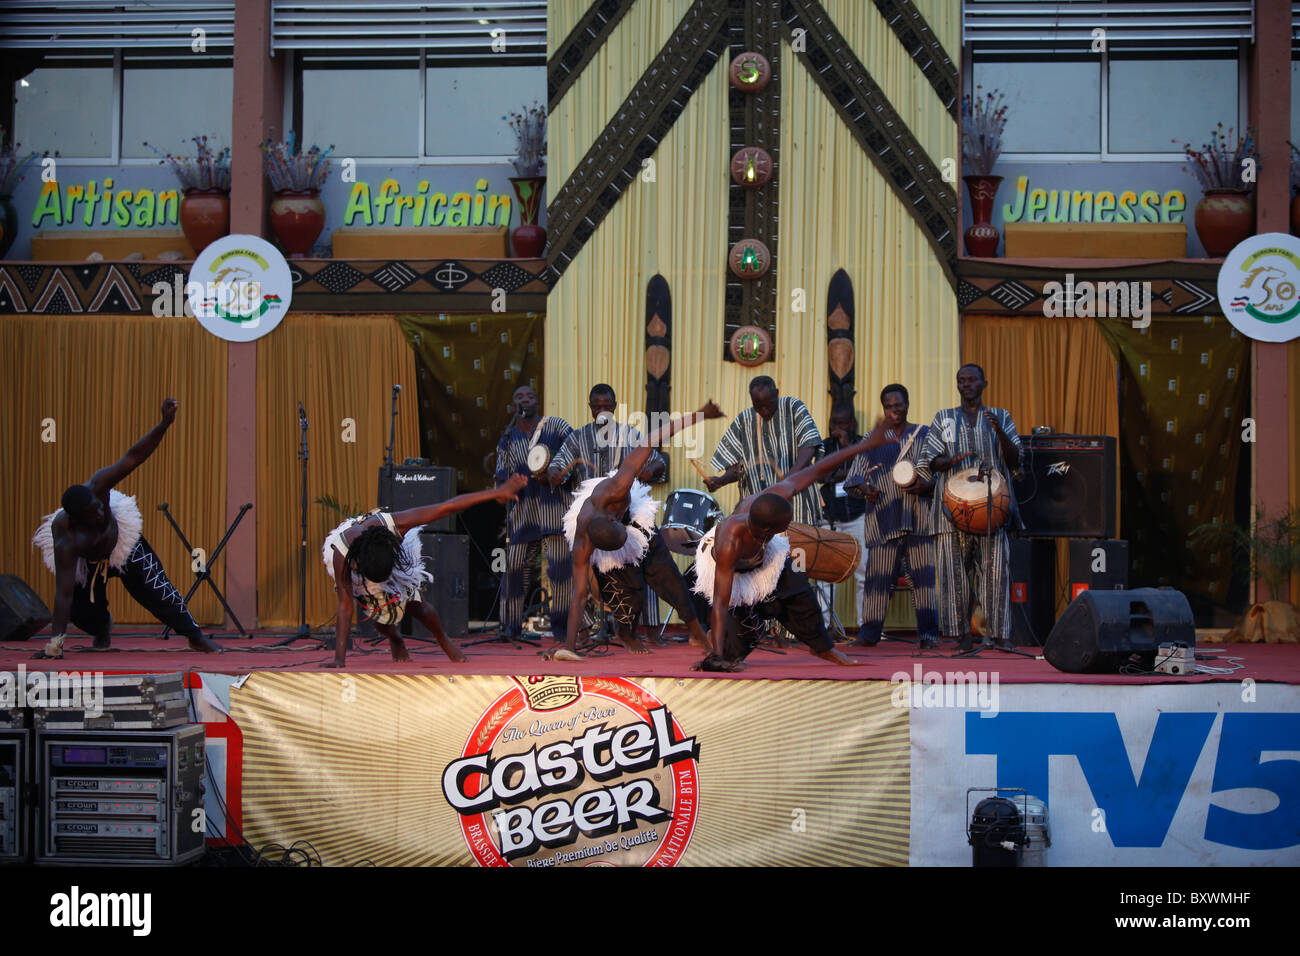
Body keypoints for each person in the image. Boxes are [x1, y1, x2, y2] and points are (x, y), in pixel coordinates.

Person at [692, 420, 895, 672]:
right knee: (739, 638)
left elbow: (818, 469)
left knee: (799, 589)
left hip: (764, 552)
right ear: (768, 530)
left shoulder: (773, 499)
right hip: (732, 569)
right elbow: (721, 603)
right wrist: (717, 656)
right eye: (785, 525)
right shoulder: (730, 544)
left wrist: (864, 446)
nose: (790, 526)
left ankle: (823, 647)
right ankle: (719, 642)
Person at [31, 398, 224, 659]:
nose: (100, 512)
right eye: (93, 513)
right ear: (77, 520)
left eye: (100, 507)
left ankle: (195, 637)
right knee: (81, 609)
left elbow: (134, 456)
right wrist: (55, 643)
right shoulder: (66, 538)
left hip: (122, 542)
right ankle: (101, 629)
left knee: (157, 587)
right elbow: (63, 592)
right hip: (86, 560)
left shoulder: (99, 485)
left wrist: (164, 425)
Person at [550, 400, 724, 662]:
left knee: (668, 576)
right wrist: (569, 647)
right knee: (629, 589)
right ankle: (626, 632)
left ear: (614, 518)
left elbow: (655, 437)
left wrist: (700, 414)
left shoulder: (619, 485)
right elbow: (579, 594)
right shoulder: (583, 541)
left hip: (635, 517)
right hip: (599, 529)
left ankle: (696, 629)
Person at [322, 474, 527, 668]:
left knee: (416, 606)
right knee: (380, 618)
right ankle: (395, 637)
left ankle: (443, 639)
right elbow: (345, 606)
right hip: (361, 567)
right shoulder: (341, 554)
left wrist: (497, 493)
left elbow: (445, 508)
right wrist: (339, 659)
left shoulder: (397, 524)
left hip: (386, 552)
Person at [916, 363, 1022, 650]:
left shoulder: (1000, 416)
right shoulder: (944, 418)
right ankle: (962, 636)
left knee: (995, 573)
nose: (966, 384)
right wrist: (948, 462)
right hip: (952, 511)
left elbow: (1014, 460)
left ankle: (999, 635)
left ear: (983, 383)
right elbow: (930, 460)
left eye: (972, 380)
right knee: (954, 576)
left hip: (991, 512)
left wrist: (1000, 431)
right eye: (961, 380)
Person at [845, 384, 940, 649]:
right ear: (883, 408)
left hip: (918, 519)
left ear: (907, 404)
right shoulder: (872, 440)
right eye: (889, 406)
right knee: (877, 582)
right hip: (883, 521)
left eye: (898, 405)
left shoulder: (925, 435)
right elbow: (853, 479)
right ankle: (869, 634)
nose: (894, 410)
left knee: (923, 582)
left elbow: (938, 474)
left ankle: (929, 636)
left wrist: (926, 485)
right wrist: (866, 489)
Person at [495, 385, 574, 645]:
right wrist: (502, 490)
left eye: (530, 396)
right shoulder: (508, 437)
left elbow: (575, 449)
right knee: (514, 566)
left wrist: (558, 470)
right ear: (513, 404)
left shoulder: (555, 426)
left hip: (555, 506)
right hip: (523, 510)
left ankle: (563, 629)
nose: (525, 400)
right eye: (519, 397)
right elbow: (500, 475)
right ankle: (509, 626)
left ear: (538, 401)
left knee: (560, 570)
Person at [705, 376, 823, 526]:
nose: (764, 411)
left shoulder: (793, 407)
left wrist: (788, 479)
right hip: (758, 510)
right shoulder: (744, 420)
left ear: (777, 393)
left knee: (797, 548)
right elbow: (738, 468)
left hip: (797, 504)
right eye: (758, 406)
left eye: (769, 405)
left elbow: (810, 444)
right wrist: (721, 480)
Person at [548, 384, 666, 488]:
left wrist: (650, 470)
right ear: (590, 407)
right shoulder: (577, 437)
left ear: (614, 406)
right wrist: (554, 473)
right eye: (597, 407)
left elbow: (658, 462)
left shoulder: (630, 434)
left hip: (623, 506)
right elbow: (556, 466)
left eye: (607, 407)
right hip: (585, 507)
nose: (602, 411)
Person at [815, 402, 869, 628]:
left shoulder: (863, 444)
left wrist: (846, 452)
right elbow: (819, 475)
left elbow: (866, 471)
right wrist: (846, 474)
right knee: (825, 574)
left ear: (852, 424)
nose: (836, 427)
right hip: (830, 518)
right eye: (832, 422)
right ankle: (824, 626)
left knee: (864, 573)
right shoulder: (824, 446)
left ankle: (865, 626)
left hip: (858, 516)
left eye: (841, 423)